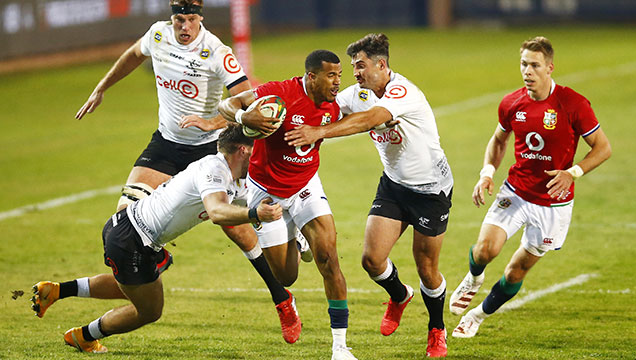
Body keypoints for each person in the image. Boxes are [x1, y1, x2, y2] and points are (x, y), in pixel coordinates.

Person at [69, 0, 299, 343]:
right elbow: (134, 54)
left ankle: (281, 298)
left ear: (200, 18)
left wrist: (211, 122)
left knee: (236, 229)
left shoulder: (217, 52)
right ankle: (137, 284)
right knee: (124, 221)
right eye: (180, 19)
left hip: (209, 146)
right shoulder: (158, 35)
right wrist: (102, 87)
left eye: (191, 20)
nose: (185, 26)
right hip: (165, 146)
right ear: (172, 18)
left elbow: (246, 105)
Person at [30, 124, 286, 353]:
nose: (262, 156)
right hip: (132, 241)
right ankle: (83, 337)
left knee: (132, 287)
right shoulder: (213, 169)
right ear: (243, 150)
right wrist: (254, 214)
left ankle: (57, 291)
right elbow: (218, 213)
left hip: (133, 234)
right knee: (150, 310)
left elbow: (253, 201)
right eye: (258, 150)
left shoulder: (233, 178)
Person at [285, 34, 452, 358]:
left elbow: (371, 120)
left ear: (382, 65)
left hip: (431, 190)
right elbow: (326, 105)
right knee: (371, 261)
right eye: (353, 67)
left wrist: (319, 132)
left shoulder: (403, 93)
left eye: (360, 66)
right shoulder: (357, 93)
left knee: (427, 268)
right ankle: (400, 295)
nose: (355, 73)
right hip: (393, 186)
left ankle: (436, 327)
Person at [447, 36, 612, 338]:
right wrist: (486, 173)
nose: (528, 71)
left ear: (550, 68)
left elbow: (602, 148)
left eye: (535, 65)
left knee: (515, 271)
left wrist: (572, 172)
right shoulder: (511, 103)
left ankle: (477, 316)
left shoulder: (573, 103)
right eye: (524, 64)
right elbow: (498, 140)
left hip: (553, 204)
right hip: (517, 190)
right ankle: (473, 278)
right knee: (486, 250)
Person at [218, 50, 357, 360]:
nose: (337, 82)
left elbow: (365, 117)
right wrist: (245, 116)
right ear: (311, 76)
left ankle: (340, 347)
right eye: (331, 75)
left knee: (329, 259)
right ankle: (296, 241)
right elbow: (226, 104)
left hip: (307, 186)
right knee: (285, 277)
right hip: (267, 192)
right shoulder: (279, 93)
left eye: (339, 75)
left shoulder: (337, 104)